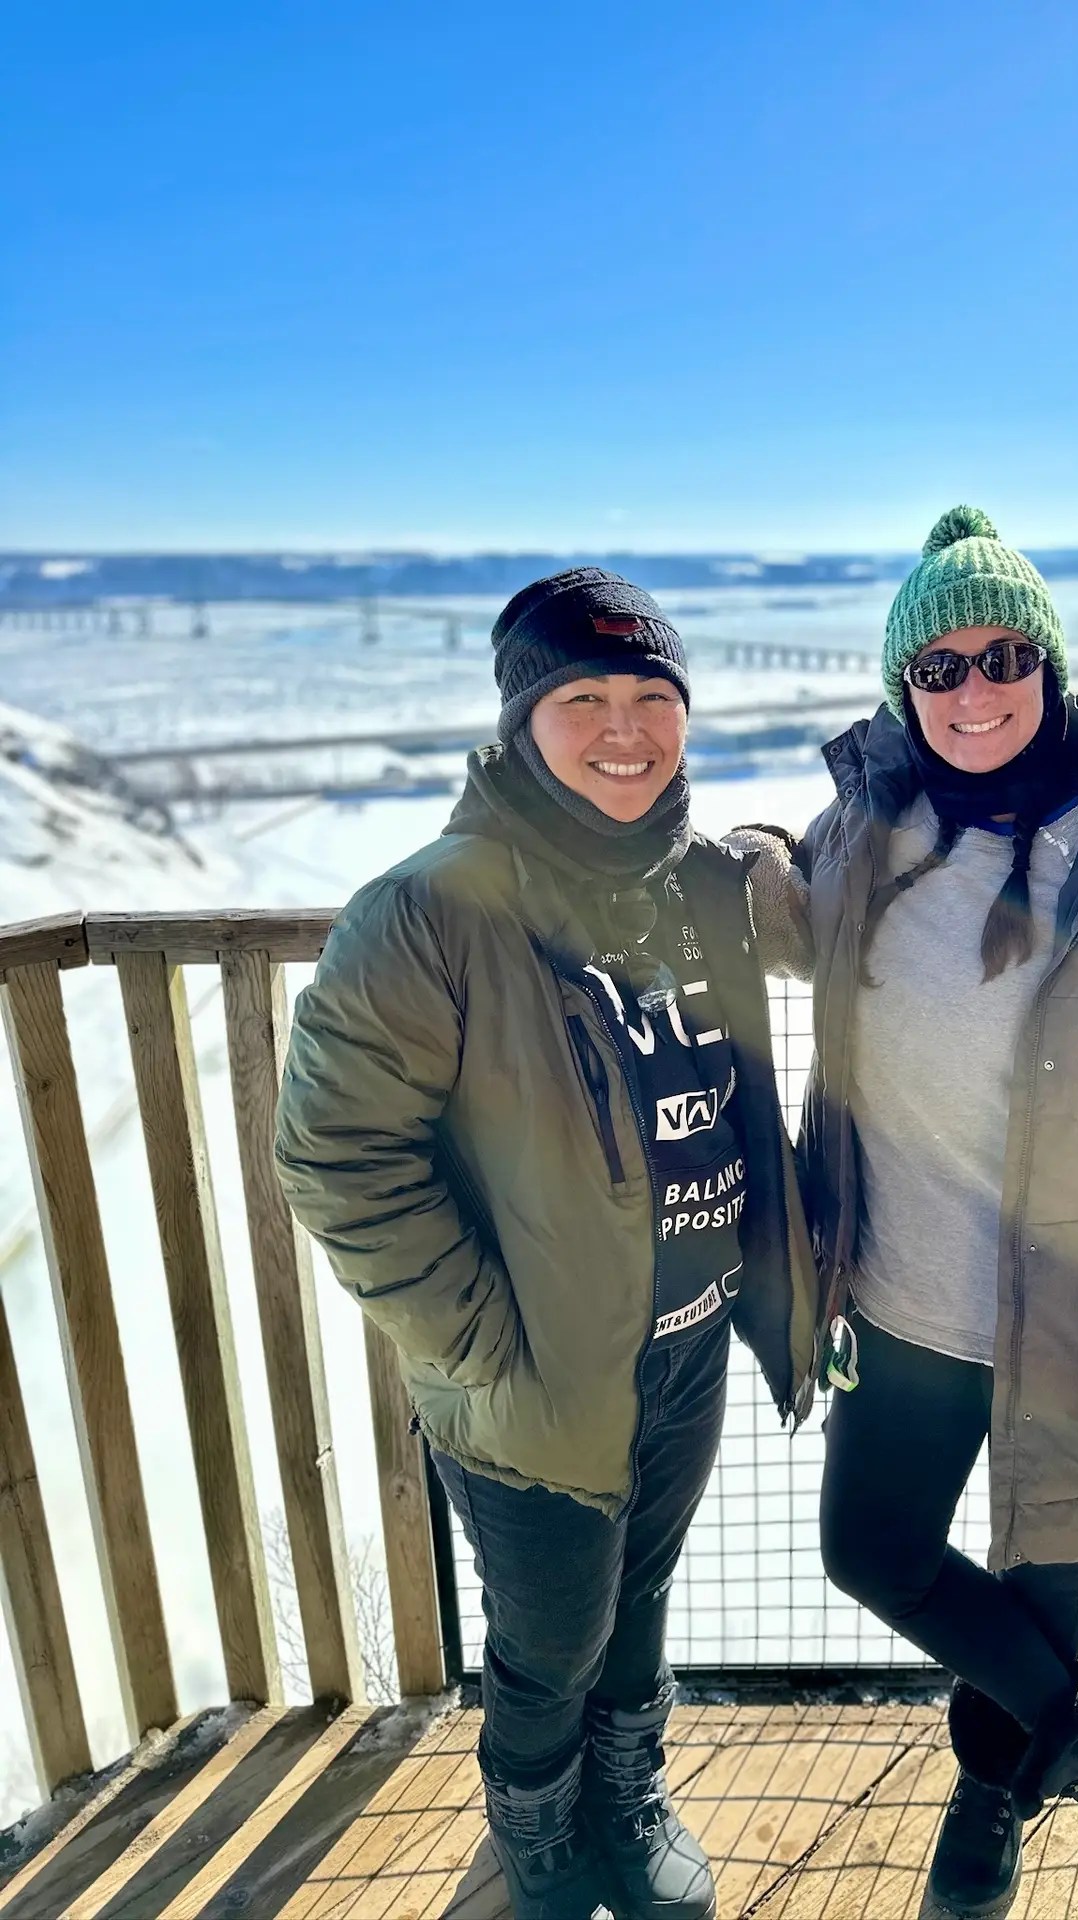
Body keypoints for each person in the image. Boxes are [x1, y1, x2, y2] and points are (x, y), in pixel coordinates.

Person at [733, 506, 1078, 1920]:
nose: (975, 691)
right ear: (904, 685)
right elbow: (806, 913)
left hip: (1075, 1324)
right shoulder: (873, 824)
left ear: (1050, 661)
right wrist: (744, 856)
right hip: (902, 1299)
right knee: (873, 1549)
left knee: (1040, 1582)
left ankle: (992, 1799)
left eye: (1005, 655)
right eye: (941, 667)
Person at [274, 568, 818, 1920]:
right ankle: (534, 1818)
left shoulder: (702, 885)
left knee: (640, 1596)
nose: (624, 727)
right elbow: (338, 1156)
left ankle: (627, 1794)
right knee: (548, 1634)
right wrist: (483, 1341)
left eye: (652, 696)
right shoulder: (430, 911)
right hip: (532, 1372)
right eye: (584, 697)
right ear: (521, 720)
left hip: (684, 1345)